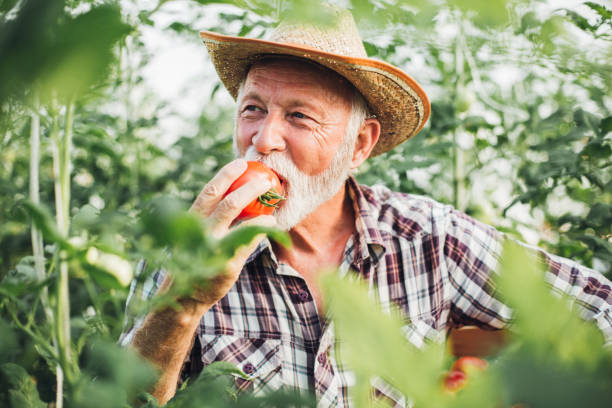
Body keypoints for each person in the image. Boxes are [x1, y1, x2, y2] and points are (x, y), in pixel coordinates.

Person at [119, 8, 612, 407]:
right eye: (253, 109)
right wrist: (184, 301)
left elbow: (600, 311)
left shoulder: (430, 240)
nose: (264, 139)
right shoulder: (181, 251)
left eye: (299, 116)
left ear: (358, 146)